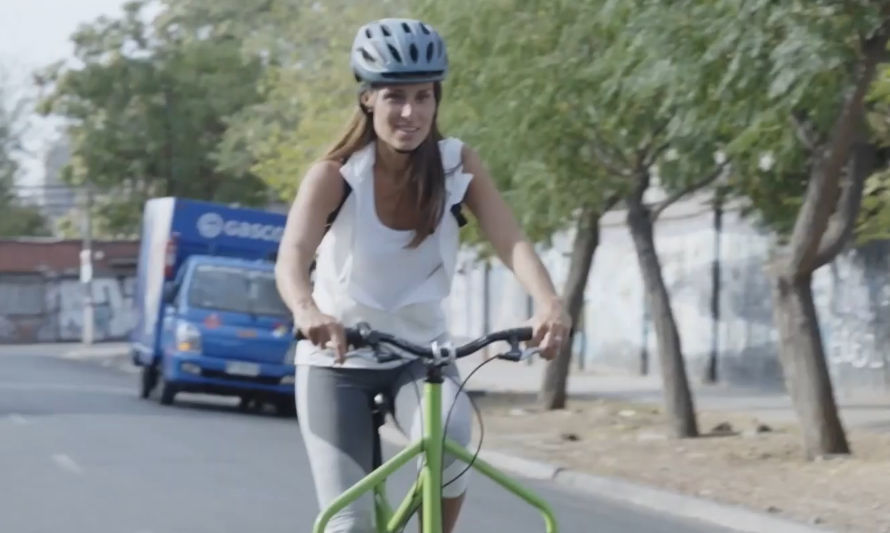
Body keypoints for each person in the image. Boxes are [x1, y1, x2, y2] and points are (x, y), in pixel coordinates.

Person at [274, 17, 571, 533]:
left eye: (424, 96)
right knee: (351, 523)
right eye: (394, 97)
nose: (410, 112)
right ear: (368, 99)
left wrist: (549, 302)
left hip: (421, 356)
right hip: (337, 359)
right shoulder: (335, 175)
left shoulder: (459, 167)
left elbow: (511, 239)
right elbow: (292, 257)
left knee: (453, 438)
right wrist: (308, 310)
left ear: (437, 99)